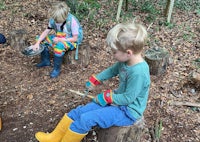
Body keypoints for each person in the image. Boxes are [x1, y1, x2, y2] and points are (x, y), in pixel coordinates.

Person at [35, 22, 150, 142]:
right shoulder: (126, 61)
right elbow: (112, 70)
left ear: (128, 52)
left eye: (114, 52)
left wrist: (107, 98)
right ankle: (54, 138)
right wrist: (97, 78)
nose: (113, 54)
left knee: (86, 119)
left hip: (128, 111)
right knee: (78, 112)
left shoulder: (139, 72)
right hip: (117, 102)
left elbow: (128, 98)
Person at [32, 2, 83, 78]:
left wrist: (60, 40)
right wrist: (38, 42)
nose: (55, 21)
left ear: (64, 17)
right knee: (41, 39)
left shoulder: (72, 21)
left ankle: (56, 69)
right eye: (55, 19)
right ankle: (45, 60)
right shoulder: (54, 19)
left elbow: (75, 38)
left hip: (70, 40)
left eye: (57, 20)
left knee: (59, 47)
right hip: (59, 36)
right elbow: (47, 31)